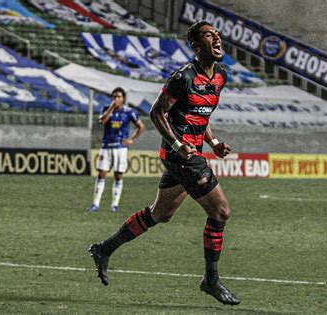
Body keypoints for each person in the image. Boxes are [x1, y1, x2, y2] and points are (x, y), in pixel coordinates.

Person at [88, 21, 240, 305]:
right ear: (196, 46)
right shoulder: (182, 77)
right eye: (209, 35)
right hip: (181, 155)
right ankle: (211, 280)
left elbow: (199, 115)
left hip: (191, 151)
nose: (217, 37)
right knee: (220, 212)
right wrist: (179, 145)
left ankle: (104, 249)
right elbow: (157, 113)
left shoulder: (220, 76)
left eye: (217, 33)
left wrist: (214, 141)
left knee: (161, 213)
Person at [87, 87, 145, 212]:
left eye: (119, 97)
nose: (116, 99)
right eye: (114, 97)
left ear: (123, 98)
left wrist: (132, 139)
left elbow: (141, 126)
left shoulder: (129, 112)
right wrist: (111, 108)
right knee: (102, 173)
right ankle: (95, 204)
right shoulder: (106, 109)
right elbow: (102, 121)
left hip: (120, 148)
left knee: (118, 175)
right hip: (106, 146)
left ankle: (114, 204)